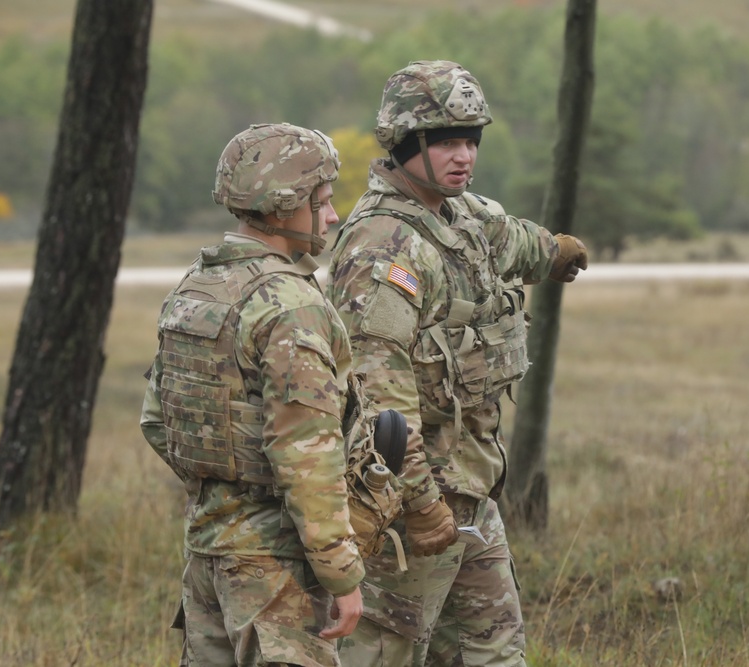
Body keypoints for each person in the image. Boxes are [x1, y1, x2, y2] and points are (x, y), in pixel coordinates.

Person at [326, 60, 588, 666]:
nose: (463, 154)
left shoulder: (460, 214)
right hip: (405, 510)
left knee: (495, 654)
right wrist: (420, 507)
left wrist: (555, 252)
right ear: (404, 143)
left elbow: (509, 237)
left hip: (470, 497)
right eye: (445, 140)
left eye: (471, 139)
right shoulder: (382, 249)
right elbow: (379, 410)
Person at [140, 122, 364, 667]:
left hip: (207, 553)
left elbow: (156, 420)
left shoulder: (194, 288)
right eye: (324, 201)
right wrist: (341, 574)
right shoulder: (288, 304)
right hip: (274, 565)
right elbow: (306, 455)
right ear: (286, 206)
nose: (333, 216)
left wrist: (224, 487)